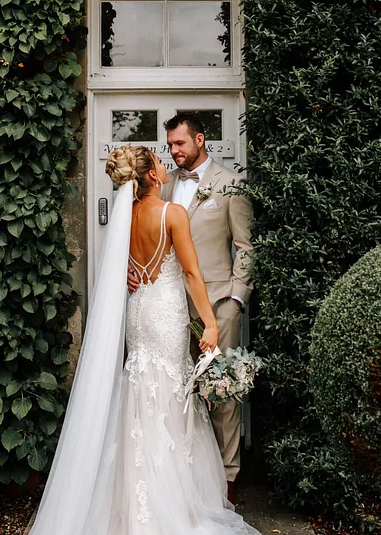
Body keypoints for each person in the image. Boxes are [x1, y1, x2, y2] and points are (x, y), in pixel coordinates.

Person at [28, 145, 259, 534]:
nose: (165, 165)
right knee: (169, 395)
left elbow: (123, 266)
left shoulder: (127, 216)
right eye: (158, 162)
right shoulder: (172, 212)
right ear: (151, 176)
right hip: (166, 313)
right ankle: (169, 501)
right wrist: (211, 324)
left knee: (140, 392)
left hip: (139, 312)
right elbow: (190, 274)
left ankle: (137, 498)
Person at [128, 113, 253, 502]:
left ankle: (227, 479)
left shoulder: (230, 185)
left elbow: (247, 248)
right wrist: (131, 275)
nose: (174, 151)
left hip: (215, 303)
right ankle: (183, 481)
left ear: (201, 140)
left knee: (221, 392)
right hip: (168, 309)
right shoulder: (160, 191)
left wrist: (235, 300)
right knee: (174, 393)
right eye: (169, 146)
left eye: (180, 143)